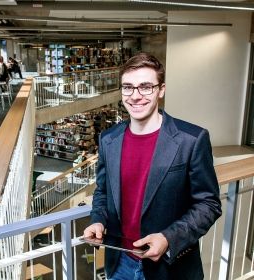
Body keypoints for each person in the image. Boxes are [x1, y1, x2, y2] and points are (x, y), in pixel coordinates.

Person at [83, 52, 222, 280]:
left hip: (170, 268)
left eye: (145, 87)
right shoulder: (108, 139)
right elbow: (103, 191)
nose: (135, 96)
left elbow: (208, 204)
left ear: (161, 89)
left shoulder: (191, 140)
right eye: (128, 87)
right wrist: (98, 219)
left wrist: (168, 238)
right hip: (120, 265)